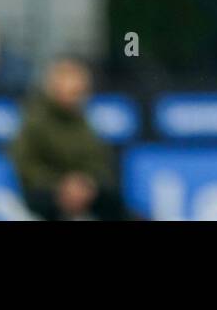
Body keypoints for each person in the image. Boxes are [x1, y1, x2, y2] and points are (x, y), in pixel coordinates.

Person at [9, 58, 131, 220]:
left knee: (112, 199)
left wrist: (88, 183)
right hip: (47, 192)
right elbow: (26, 166)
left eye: (80, 90)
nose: (77, 94)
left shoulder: (84, 122)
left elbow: (100, 162)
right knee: (42, 201)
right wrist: (60, 186)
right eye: (71, 88)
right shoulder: (34, 120)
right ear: (54, 86)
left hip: (84, 191)